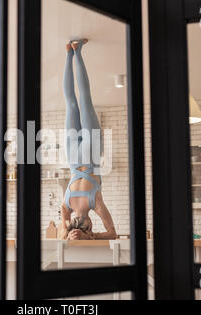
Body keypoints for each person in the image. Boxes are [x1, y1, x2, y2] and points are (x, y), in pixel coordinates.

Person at [58, 39, 117, 241]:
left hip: (89, 155)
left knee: (84, 100)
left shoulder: (96, 203)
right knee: (71, 104)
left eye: (91, 228)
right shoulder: (66, 205)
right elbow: (62, 235)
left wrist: (89, 237)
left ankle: (78, 50)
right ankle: (69, 52)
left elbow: (112, 234)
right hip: (73, 157)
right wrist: (72, 235)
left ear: (90, 225)